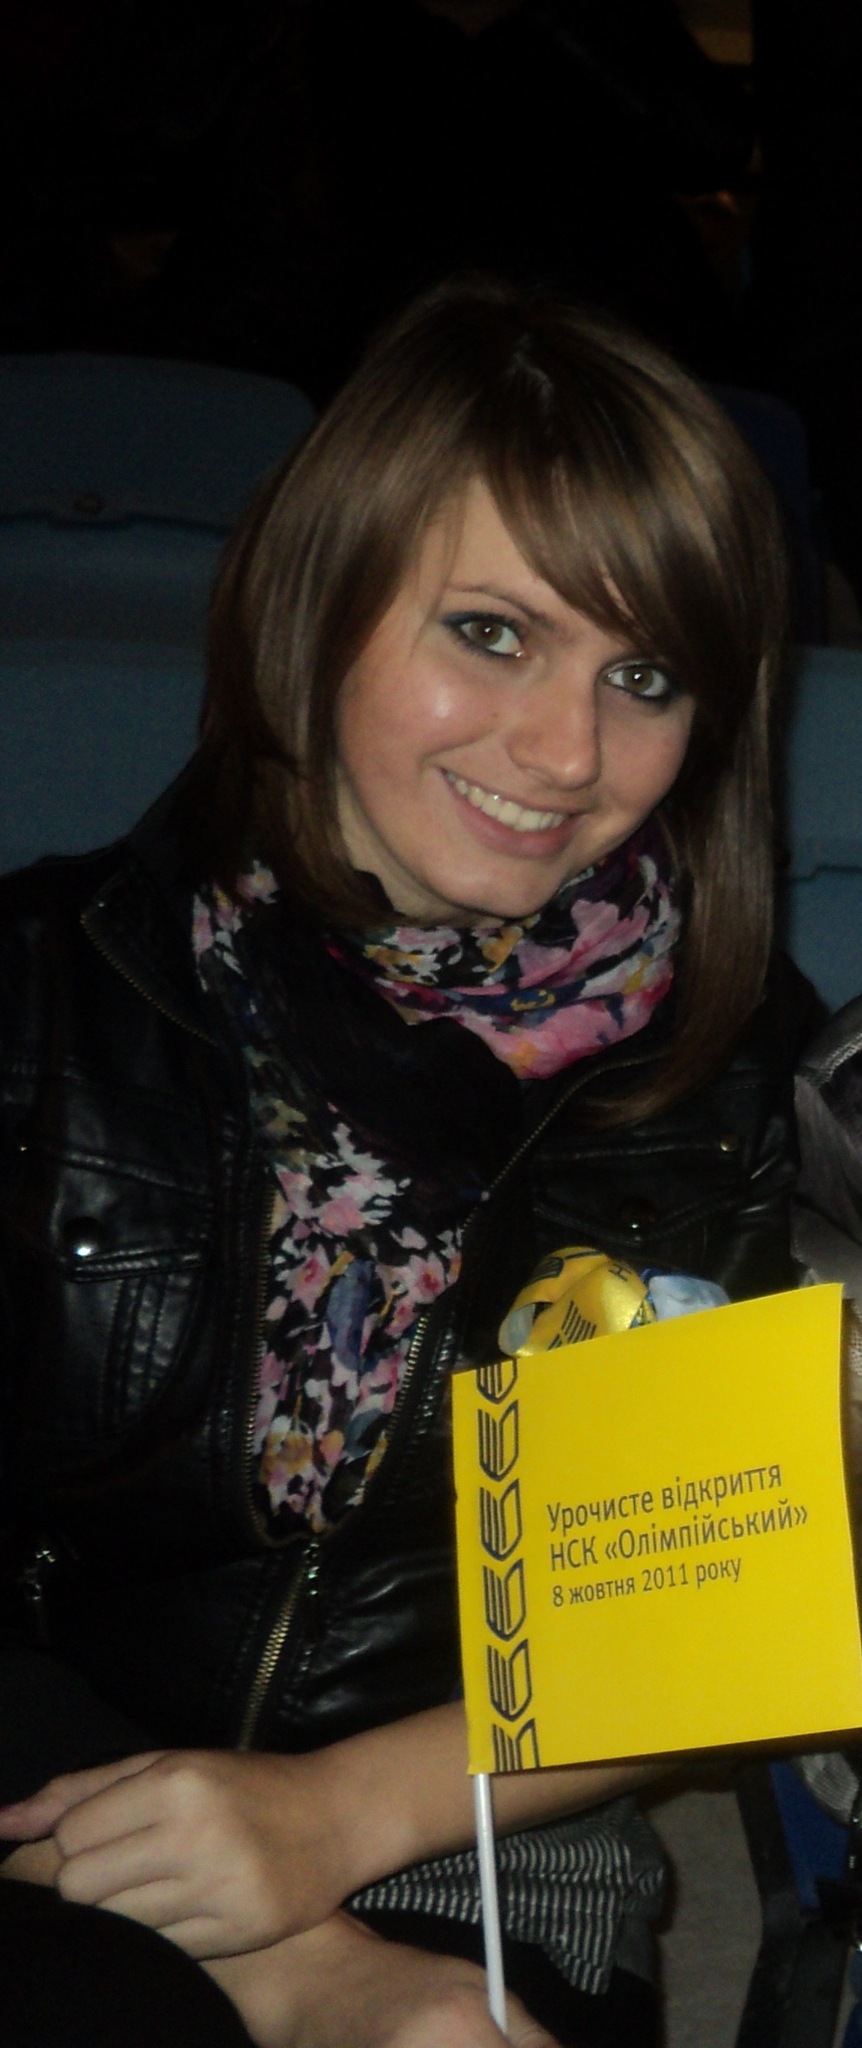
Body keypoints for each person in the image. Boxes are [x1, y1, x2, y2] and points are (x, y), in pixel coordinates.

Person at [0, 277, 815, 2047]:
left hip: (482, 1836)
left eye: (643, 676)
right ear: (320, 598)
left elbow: (697, 1616)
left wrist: (334, 1821)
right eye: (492, 634)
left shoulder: (734, 1067)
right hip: (43, 1789)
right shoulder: (41, 999)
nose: (567, 755)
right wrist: (285, 1960)